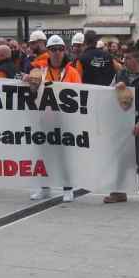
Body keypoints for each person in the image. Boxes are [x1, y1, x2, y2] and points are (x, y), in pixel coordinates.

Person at [28, 35, 81, 202]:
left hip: (65, 121)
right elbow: (32, 94)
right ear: (48, 52)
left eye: (60, 49)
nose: (57, 53)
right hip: (44, 120)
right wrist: (29, 84)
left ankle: (68, 188)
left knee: (64, 156)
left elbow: (80, 96)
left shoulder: (72, 72)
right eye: (53, 50)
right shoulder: (40, 71)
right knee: (44, 155)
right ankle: (45, 187)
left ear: (64, 51)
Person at [104, 42, 139, 206]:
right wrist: (115, 89)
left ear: (138, 61)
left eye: (128, 58)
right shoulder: (120, 75)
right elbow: (108, 93)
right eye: (125, 57)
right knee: (119, 158)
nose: (125, 60)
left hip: (138, 125)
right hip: (120, 125)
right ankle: (119, 191)